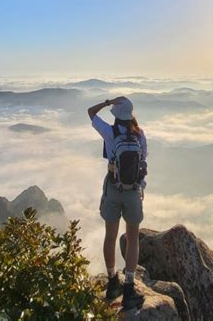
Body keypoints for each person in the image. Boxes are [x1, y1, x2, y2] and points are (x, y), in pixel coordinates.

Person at [88, 96, 147, 310]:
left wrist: (107, 102)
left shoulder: (110, 132)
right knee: (133, 239)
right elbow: (144, 161)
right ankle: (129, 287)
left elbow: (90, 113)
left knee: (110, 237)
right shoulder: (139, 135)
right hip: (133, 192)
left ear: (116, 115)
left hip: (113, 190)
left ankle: (113, 282)